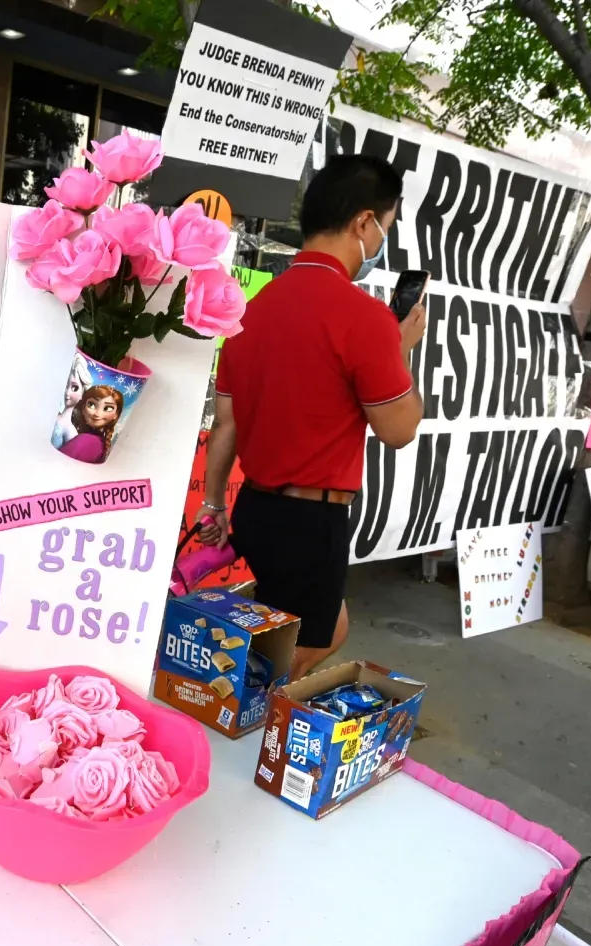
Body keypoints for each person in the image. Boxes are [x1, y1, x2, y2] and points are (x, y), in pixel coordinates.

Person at [197, 155, 426, 679]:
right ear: (364, 222)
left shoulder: (252, 309)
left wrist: (214, 505)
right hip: (310, 521)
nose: (380, 240)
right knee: (279, 665)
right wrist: (401, 348)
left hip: (255, 509)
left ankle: (241, 720)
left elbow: (225, 424)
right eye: (384, 228)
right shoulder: (366, 319)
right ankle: (246, 737)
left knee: (322, 626)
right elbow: (400, 428)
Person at [56, 385, 122, 463]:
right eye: (91, 405)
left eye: (107, 408)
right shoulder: (100, 443)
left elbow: (57, 464)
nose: (97, 414)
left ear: (116, 414)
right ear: (83, 408)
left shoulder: (85, 440)